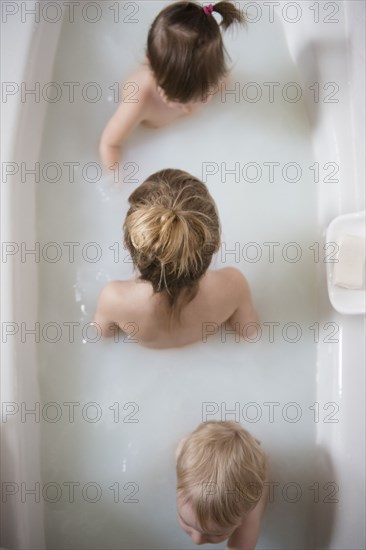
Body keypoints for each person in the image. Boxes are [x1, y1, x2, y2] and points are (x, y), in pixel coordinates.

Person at [93, 169, 258, 348]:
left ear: (128, 244)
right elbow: (249, 334)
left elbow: (102, 337)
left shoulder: (114, 300)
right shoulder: (233, 286)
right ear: (216, 244)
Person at [99, 1, 245, 169]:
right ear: (151, 66)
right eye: (179, 101)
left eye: (203, 98)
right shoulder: (138, 100)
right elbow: (109, 145)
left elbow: (231, 83)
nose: (189, 109)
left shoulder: (211, 78)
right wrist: (117, 181)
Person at [176, 421, 269, 548]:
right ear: (179, 490)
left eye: (216, 535)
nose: (197, 540)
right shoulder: (181, 451)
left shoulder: (247, 514)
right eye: (186, 522)